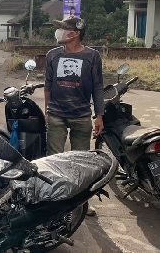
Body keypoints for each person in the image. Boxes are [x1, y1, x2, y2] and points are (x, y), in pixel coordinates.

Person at [44, 16, 104, 216]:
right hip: (56, 115)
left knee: (81, 162)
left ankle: (81, 202)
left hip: (81, 116)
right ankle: (54, 197)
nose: (59, 32)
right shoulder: (53, 55)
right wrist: (47, 110)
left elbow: (97, 87)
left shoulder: (92, 56)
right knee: (54, 159)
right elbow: (48, 84)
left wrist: (99, 115)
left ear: (75, 33)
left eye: (63, 28)